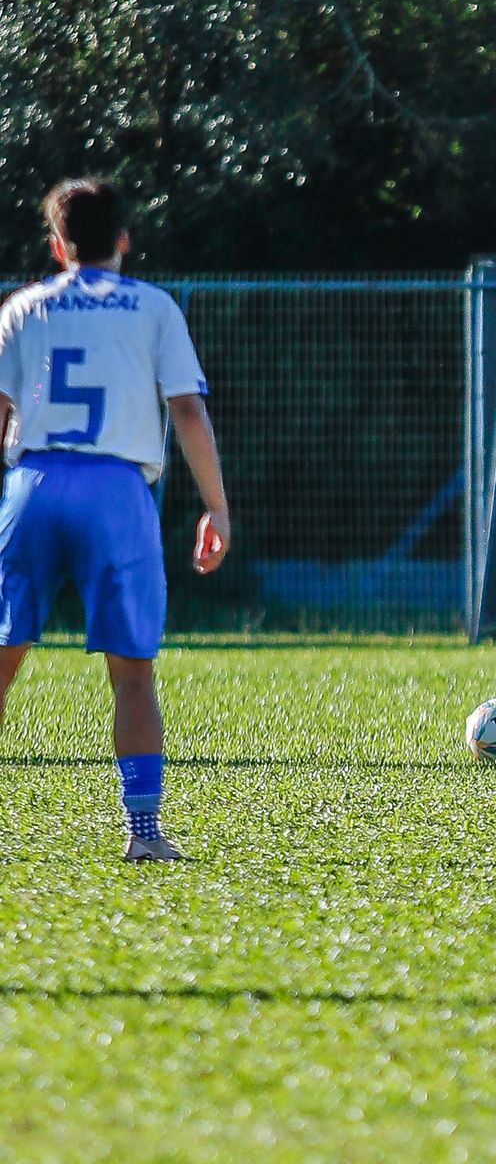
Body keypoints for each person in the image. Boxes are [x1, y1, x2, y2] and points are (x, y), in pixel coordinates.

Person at [0, 179, 231, 860]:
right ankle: (144, 832)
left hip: (33, 482)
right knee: (131, 674)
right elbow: (187, 411)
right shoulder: (154, 308)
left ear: (56, 245)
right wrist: (215, 505)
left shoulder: (26, 306)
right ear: (123, 240)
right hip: (116, 491)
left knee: (3, 660)